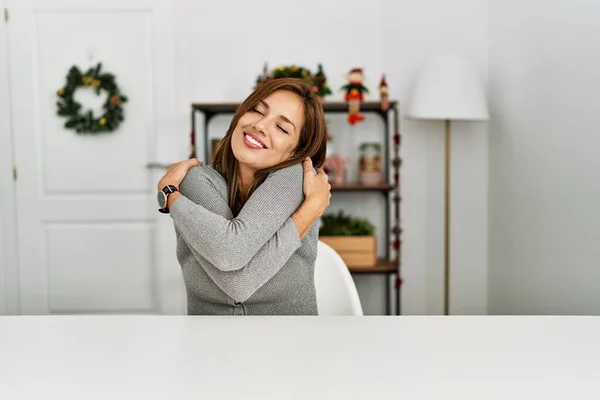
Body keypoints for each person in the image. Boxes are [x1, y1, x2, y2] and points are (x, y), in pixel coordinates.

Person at [156, 78, 331, 315]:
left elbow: (237, 280)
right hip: (208, 342)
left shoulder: (294, 178)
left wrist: (171, 197)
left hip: (292, 342)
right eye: (257, 110)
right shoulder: (194, 180)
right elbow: (236, 277)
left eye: (281, 128)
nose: (260, 125)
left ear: (297, 150)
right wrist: (309, 211)